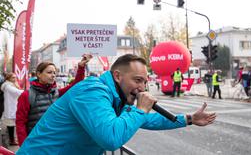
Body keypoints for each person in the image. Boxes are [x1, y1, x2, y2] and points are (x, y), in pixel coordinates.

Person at [16, 54, 216, 155]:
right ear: (117, 76)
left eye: (145, 82)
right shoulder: (92, 91)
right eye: (138, 80)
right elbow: (110, 139)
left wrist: (188, 119)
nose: (143, 87)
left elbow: (147, 119)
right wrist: (138, 109)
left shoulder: (116, 96)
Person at [16, 54, 92, 146]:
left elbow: (75, 86)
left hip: (55, 142)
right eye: (49, 72)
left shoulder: (56, 93)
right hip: (36, 144)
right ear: (39, 74)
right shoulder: (26, 95)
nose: (53, 75)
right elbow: (20, 123)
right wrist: (24, 147)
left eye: (54, 73)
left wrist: (81, 67)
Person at [1, 72, 24, 145]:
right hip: (11, 107)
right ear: (8, 78)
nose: (15, 79)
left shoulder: (10, 85)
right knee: (11, 125)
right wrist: (29, 92)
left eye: (15, 77)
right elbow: (18, 92)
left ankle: (12, 139)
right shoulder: (8, 86)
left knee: (12, 124)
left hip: (12, 106)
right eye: (13, 77)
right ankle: (12, 141)